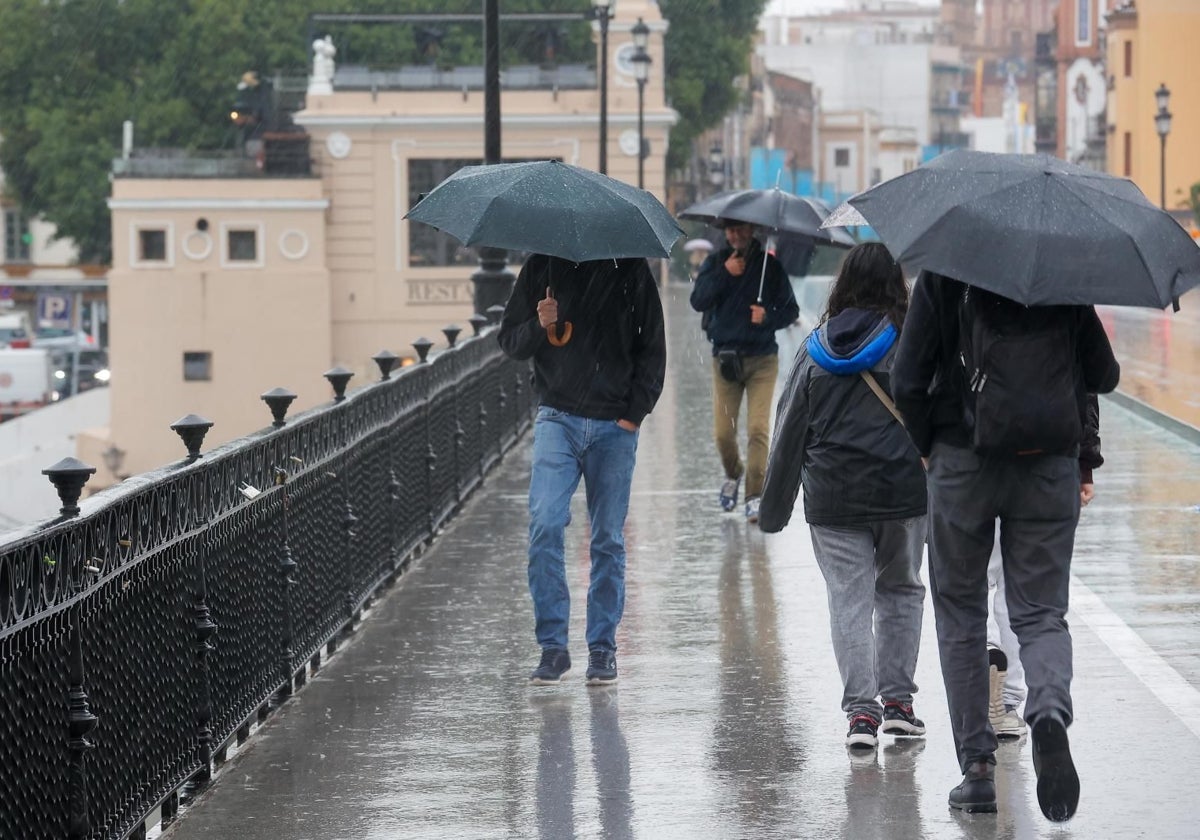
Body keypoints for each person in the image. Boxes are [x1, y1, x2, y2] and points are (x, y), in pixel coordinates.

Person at [892, 272, 1119, 821]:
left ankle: (976, 772)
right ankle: (1045, 711)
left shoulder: (944, 273)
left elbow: (906, 379)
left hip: (959, 464)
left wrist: (928, 447)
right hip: (1047, 464)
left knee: (961, 614)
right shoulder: (1058, 276)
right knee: (1041, 613)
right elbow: (1104, 375)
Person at [758, 243, 928, 751]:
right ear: (895, 285)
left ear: (843, 284)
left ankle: (861, 717)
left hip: (833, 498)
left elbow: (789, 430)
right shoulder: (910, 344)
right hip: (902, 491)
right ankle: (898, 704)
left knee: (848, 601)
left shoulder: (815, 349)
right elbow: (936, 415)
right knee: (900, 590)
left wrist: (774, 509)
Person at [498, 254, 666, 687]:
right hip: (558, 418)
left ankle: (602, 648)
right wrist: (539, 323)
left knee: (608, 538)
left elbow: (653, 348)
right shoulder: (542, 268)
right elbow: (511, 342)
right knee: (545, 525)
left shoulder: (630, 269)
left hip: (615, 424)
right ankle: (553, 646)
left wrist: (633, 413)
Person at [987, 395, 1103, 739]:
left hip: (973, 465)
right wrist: (1085, 465)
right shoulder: (1065, 336)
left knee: (970, 586)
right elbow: (1089, 386)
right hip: (1046, 467)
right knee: (1022, 591)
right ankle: (1009, 703)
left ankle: (986, 653)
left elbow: (919, 377)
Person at [690, 219, 799, 523]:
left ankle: (754, 495)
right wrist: (725, 274)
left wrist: (768, 317)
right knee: (723, 435)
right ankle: (734, 474)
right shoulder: (715, 263)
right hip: (725, 361)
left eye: (741, 228)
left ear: (753, 230)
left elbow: (792, 311)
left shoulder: (770, 268)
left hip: (763, 361)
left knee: (757, 430)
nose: (735, 234)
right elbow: (698, 300)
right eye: (730, 229)